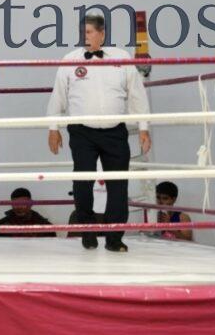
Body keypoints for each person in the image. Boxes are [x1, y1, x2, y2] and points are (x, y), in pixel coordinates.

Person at [46, 13, 151, 253]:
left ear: (102, 34)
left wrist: (144, 128)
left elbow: (137, 95)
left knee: (118, 185)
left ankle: (115, 238)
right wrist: (54, 128)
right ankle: (87, 232)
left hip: (115, 131)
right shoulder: (70, 60)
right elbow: (58, 97)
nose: (86, 37)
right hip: (82, 132)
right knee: (82, 183)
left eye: (90, 32)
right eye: (83, 33)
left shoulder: (122, 57)